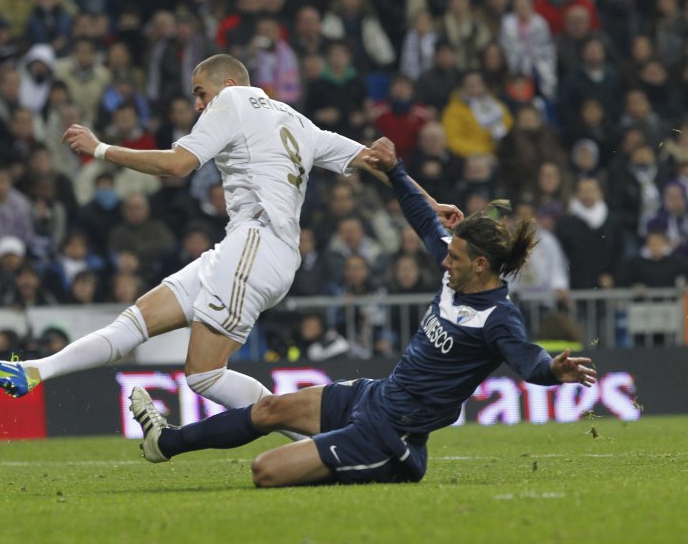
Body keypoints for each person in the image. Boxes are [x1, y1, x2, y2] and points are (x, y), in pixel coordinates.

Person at [0, 54, 459, 414]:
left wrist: (101, 150)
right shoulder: (298, 121)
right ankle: (35, 371)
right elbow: (376, 161)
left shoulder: (232, 102)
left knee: (203, 374)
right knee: (135, 321)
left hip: (257, 244)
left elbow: (179, 164)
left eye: (200, 94)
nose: (200, 106)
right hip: (243, 248)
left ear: (227, 84)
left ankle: (325, 435)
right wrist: (430, 202)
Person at [127, 137, 596, 487]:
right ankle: (163, 444)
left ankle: (358, 464)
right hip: (373, 397)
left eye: (453, 258)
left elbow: (528, 359)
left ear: (480, 266)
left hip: (392, 439)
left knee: (265, 471)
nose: (443, 261)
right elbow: (420, 218)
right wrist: (395, 171)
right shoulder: (456, 272)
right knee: (268, 408)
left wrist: (552, 370)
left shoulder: (498, 318)